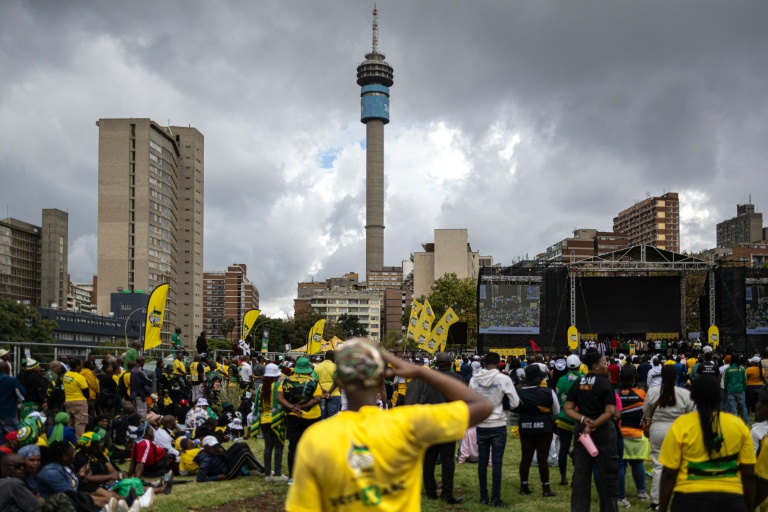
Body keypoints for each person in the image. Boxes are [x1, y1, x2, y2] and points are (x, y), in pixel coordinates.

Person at [285, 339, 492, 512]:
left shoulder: (315, 438)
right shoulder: (407, 424)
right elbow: (482, 406)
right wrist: (421, 372)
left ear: (339, 381)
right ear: (380, 380)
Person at [658, 375, 755, 512]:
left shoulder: (681, 425)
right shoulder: (738, 425)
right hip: (731, 501)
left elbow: (669, 473)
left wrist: (662, 508)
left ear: (692, 397)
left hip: (688, 500)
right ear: (720, 397)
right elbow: (749, 475)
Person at [403, 352, 465, 504]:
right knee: (448, 459)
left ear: (436, 363)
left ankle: (430, 491)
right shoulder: (458, 379)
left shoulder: (427, 379)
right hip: (449, 426)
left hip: (429, 425)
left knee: (429, 459)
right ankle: (447, 493)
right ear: (450, 363)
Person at [564, 351, 618, 512]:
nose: (606, 366)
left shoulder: (578, 382)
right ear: (595, 366)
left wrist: (583, 420)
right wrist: (594, 424)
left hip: (582, 432)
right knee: (607, 475)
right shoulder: (605, 384)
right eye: (604, 363)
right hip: (603, 431)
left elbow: (568, 408)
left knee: (581, 475)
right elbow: (609, 411)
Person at [469, 351, 521, 507]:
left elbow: (470, 400)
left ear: (484, 363)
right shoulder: (503, 379)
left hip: (481, 424)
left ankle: (483, 497)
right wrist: (501, 407)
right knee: (497, 463)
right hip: (498, 424)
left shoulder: (474, 379)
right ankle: (495, 499)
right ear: (499, 363)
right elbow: (515, 402)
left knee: (482, 462)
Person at [643, 364, 694, 510]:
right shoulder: (684, 393)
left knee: (658, 466)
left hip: (657, 430)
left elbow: (646, 412)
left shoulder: (652, 392)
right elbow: (692, 413)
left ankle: (657, 501)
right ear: (676, 376)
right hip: (679, 430)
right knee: (682, 465)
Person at [277, 356, 322, 484]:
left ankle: (292, 476)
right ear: (309, 369)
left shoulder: (285, 381)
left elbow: (280, 398)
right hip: (312, 417)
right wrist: (302, 406)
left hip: (292, 417)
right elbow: (317, 399)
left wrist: (293, 407)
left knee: (293, 446)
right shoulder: (313, 382)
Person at [516, 365, 559, 498]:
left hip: (525, 427)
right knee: (542, 459)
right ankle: (546, 489)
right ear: (539, 377)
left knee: (526, 457)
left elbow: (513, 407)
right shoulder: (548, 391)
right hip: (544, 427)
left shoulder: (519, 392)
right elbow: (556, 411)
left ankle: (524, 486)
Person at [617, 364, 649, 506]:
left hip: (618, 435)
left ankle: (620, 496)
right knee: (637, 464)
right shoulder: (641, 394)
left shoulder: (614, 394)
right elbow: (647, 413)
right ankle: (641, 492)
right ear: (634, 379)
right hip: (636, 434)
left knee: (621, 466)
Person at [252, 363, 287, 481]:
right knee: (278, 447)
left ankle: (267, 474)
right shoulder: (279, 385)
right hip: (276, 419)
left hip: (264, 419)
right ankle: (277, 473)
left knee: (268, 447)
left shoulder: (261, 387)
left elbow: (257, 405)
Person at [555, 354, 583, 486]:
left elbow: (557, 396)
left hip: (563, 417)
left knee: (564, 449)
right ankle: (576, 477)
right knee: (580, 450)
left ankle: (562, 478)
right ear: (579, 365)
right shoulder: (584, 379)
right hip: (579, 418)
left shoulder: (561, 379)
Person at [193, 435, 263, 482]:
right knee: (245, 452)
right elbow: (200, 479)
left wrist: (222, 454)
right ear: (205, 446)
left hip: (227, 463)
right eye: (212, 445)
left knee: (241, 444)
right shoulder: (206, 460)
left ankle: (252, 467)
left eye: (215, 445)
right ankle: (264, 470)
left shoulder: (212, 450)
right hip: (227, 473)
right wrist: (217, 477)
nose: (215, 447)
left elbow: (227, 459)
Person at [62, 359, 90, 439]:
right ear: (77, 366)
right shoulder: (80, 377)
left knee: (70, 422)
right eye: (81, 365)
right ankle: (79, 443)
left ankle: (70, 441)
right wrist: (87, 399)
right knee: (80, 424)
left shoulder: (66, 375)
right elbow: (86, 392)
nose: (82, 367)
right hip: (80, 402)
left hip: (68, 401)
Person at [0, 361, 25, 445]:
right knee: (18, 438)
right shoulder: (11, 380)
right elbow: (22, 392)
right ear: (8, 369)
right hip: (9, 414)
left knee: (2, 440)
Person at [314, 351, 341, 419]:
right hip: (334, 394)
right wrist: (329, 392)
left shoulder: (317, 367)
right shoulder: (335, 367)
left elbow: (315, 381)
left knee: (322, 417)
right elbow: (336, 381)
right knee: (333, 418)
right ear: (333, 357)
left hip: (321, 395)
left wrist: (323, 390)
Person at [722, 355, 748, 424]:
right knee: (743, 406)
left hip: (730, 390)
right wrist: (744, 388)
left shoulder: (728, 369)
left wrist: (727, 389)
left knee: (733, 407)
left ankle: (735, 422)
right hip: (740, 390)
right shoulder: (742, 369)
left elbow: (725, 381)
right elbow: (745, 380)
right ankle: (746, 421)